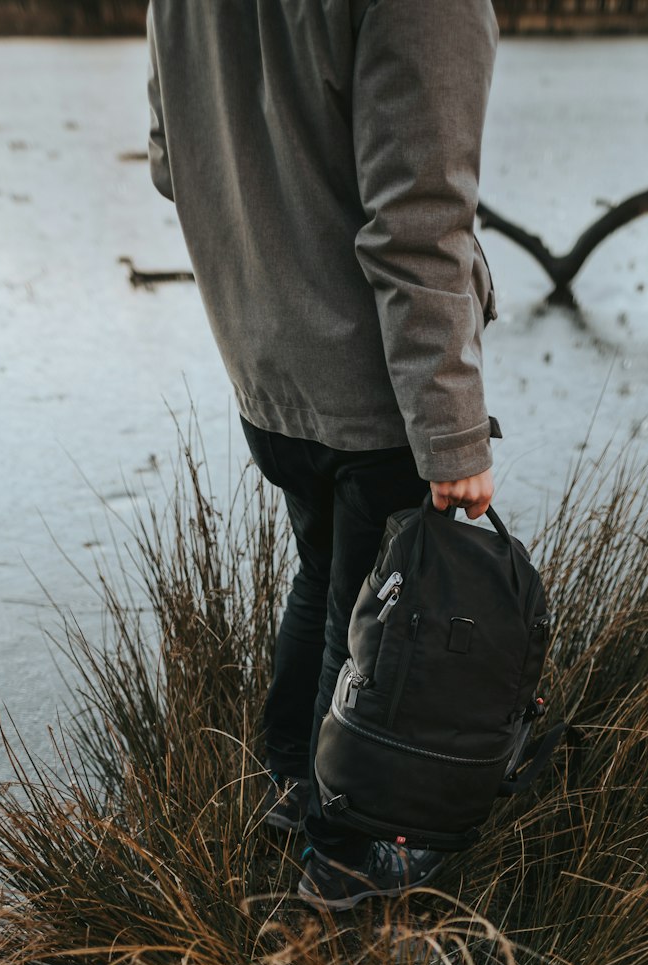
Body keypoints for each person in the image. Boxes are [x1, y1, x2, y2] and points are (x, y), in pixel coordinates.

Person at [147, 0, 500, 911]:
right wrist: (454, 429)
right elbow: (415, 220)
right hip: (370, 378)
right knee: (369, 634)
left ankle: (289, 794)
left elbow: (167, 158)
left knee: (324, 574)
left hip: (265, 361)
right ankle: (336, 883)